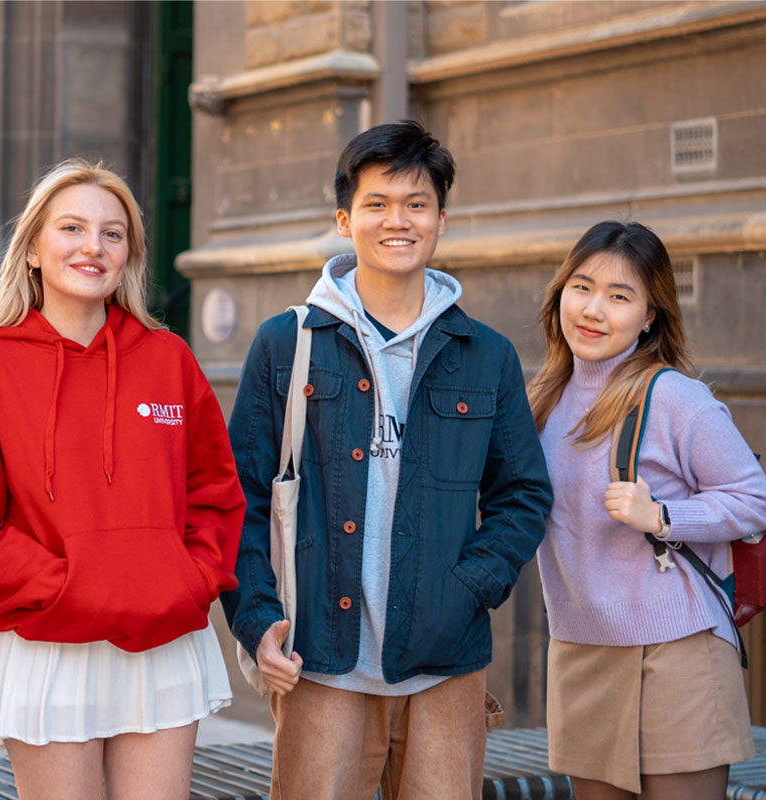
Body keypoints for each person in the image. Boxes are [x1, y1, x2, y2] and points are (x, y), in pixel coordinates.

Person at [221, 120, 553, 799]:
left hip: (445, 667)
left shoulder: (484, 354)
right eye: (377, 203)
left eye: (416, 204)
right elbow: (240, 496)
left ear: (439, 220)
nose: (397, 221)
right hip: (321, 663)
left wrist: (466, 592)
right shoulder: (286, 344)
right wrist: (255, 619)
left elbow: (523, 494)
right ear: (345, 219)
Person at [0, 158, 244, 800]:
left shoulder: (167, 359)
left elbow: (216, 494)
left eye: (113, 233)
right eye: (72, 228)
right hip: (48, 645)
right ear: (35, 249)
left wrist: (187, 581)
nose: (93, 246)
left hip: (159, 643)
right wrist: (63, 587)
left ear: (129, 254)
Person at [527, 221, 766, 799]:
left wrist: (664, 516)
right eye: (581, 287)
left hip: (676, 645)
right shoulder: (541, 400)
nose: (593, 310)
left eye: (620, 296)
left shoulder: (674, 398)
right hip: (581, 647)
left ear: (650, 315)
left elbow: (755, 500)